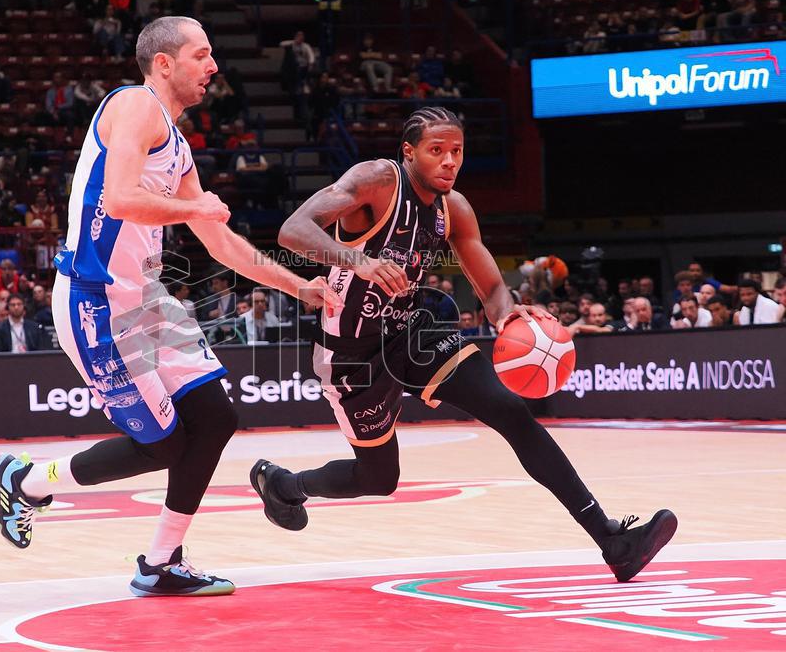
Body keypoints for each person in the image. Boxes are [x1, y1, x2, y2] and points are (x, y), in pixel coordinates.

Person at [250, 106, 676, 584]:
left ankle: (611, 540)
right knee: (378, 479)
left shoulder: (455, 209)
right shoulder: (376, 181)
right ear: (409, 152)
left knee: (511, 411)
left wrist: (506, 315)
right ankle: (285, 485)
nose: (449, 161)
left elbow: (492, 288)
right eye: (437, 151)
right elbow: (292, 231)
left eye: (457, 152)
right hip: (351, 353)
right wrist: (359, 260)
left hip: (413, 329)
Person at [0, 16, 340, 597]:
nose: (213, 66)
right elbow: (121, 198)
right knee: (163, 444)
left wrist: (299, 287)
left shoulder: (177, 145)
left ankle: (161, 562)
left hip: (148, 300)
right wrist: (196, 211)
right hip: (95, 302)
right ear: (164, 63)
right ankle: (28, 482)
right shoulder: (134, 106)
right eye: (201, 55)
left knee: (217, 419)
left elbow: (222, 244)